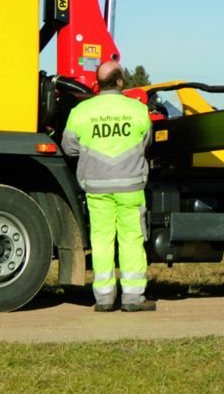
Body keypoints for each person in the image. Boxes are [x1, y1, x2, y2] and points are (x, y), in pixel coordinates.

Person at [61, 62, 156, 312]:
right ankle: (133, 298)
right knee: (131, 239)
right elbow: (147, 142)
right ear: (120, 82)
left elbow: (69, 147)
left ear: (97, 82)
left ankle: (103, 298)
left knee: (101, 239)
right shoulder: (137, 110)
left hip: (97, 187)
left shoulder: (81, 111)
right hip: (130, 187)